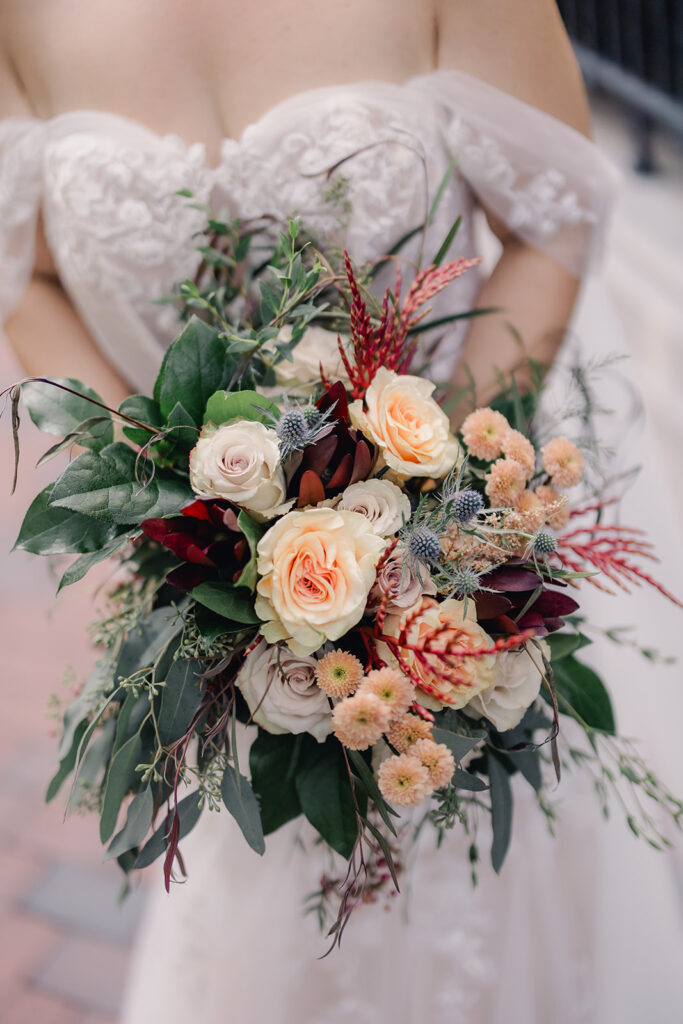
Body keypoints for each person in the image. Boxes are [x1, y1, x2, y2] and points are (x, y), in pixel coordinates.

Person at [1, 2, 681, 1021]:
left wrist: (422, 523)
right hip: (240, 633)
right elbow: (25, 270)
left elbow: (555, 216)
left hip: (455, 586)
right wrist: (186, 523)